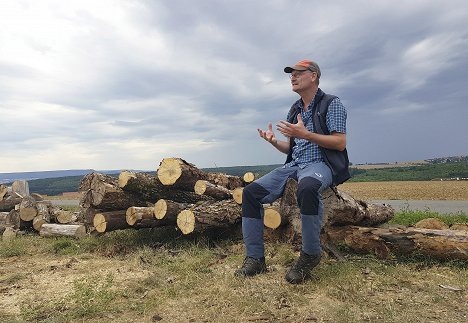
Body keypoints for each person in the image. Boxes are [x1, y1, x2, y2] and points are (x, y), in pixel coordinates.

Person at [234, 59, 349, 284]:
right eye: (291, 75)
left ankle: (310, 254)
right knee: (250, 193)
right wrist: (274, 142)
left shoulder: (331, 104)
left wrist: (307, 134)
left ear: (313, 75)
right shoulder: (295, 109)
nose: (293, 77)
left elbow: (340, 143)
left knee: (307, 189)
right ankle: (255, 259)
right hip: (294, 165)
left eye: (298, 73)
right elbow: (291, 148)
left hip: (320, 164)